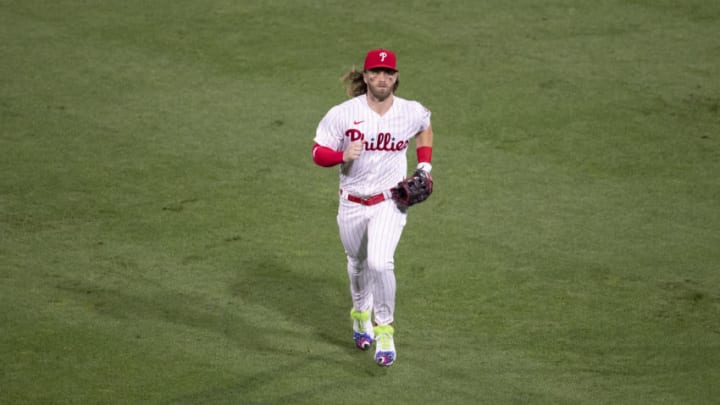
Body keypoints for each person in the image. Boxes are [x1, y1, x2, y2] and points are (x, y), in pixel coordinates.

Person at [311, 48, 434, 367]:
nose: (382, 78)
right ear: (365, 77)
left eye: (388, 73)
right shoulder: (342, 113)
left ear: (395, 78)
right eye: (376, 72)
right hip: (351, 203)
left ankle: (384, 330)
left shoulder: (410, 111)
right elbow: (317, 153)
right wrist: (342, 156)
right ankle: (359, 314)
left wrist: (424, 168)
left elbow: (424, 126)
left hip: (389, 202)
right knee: (357, 264)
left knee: (380, 263)